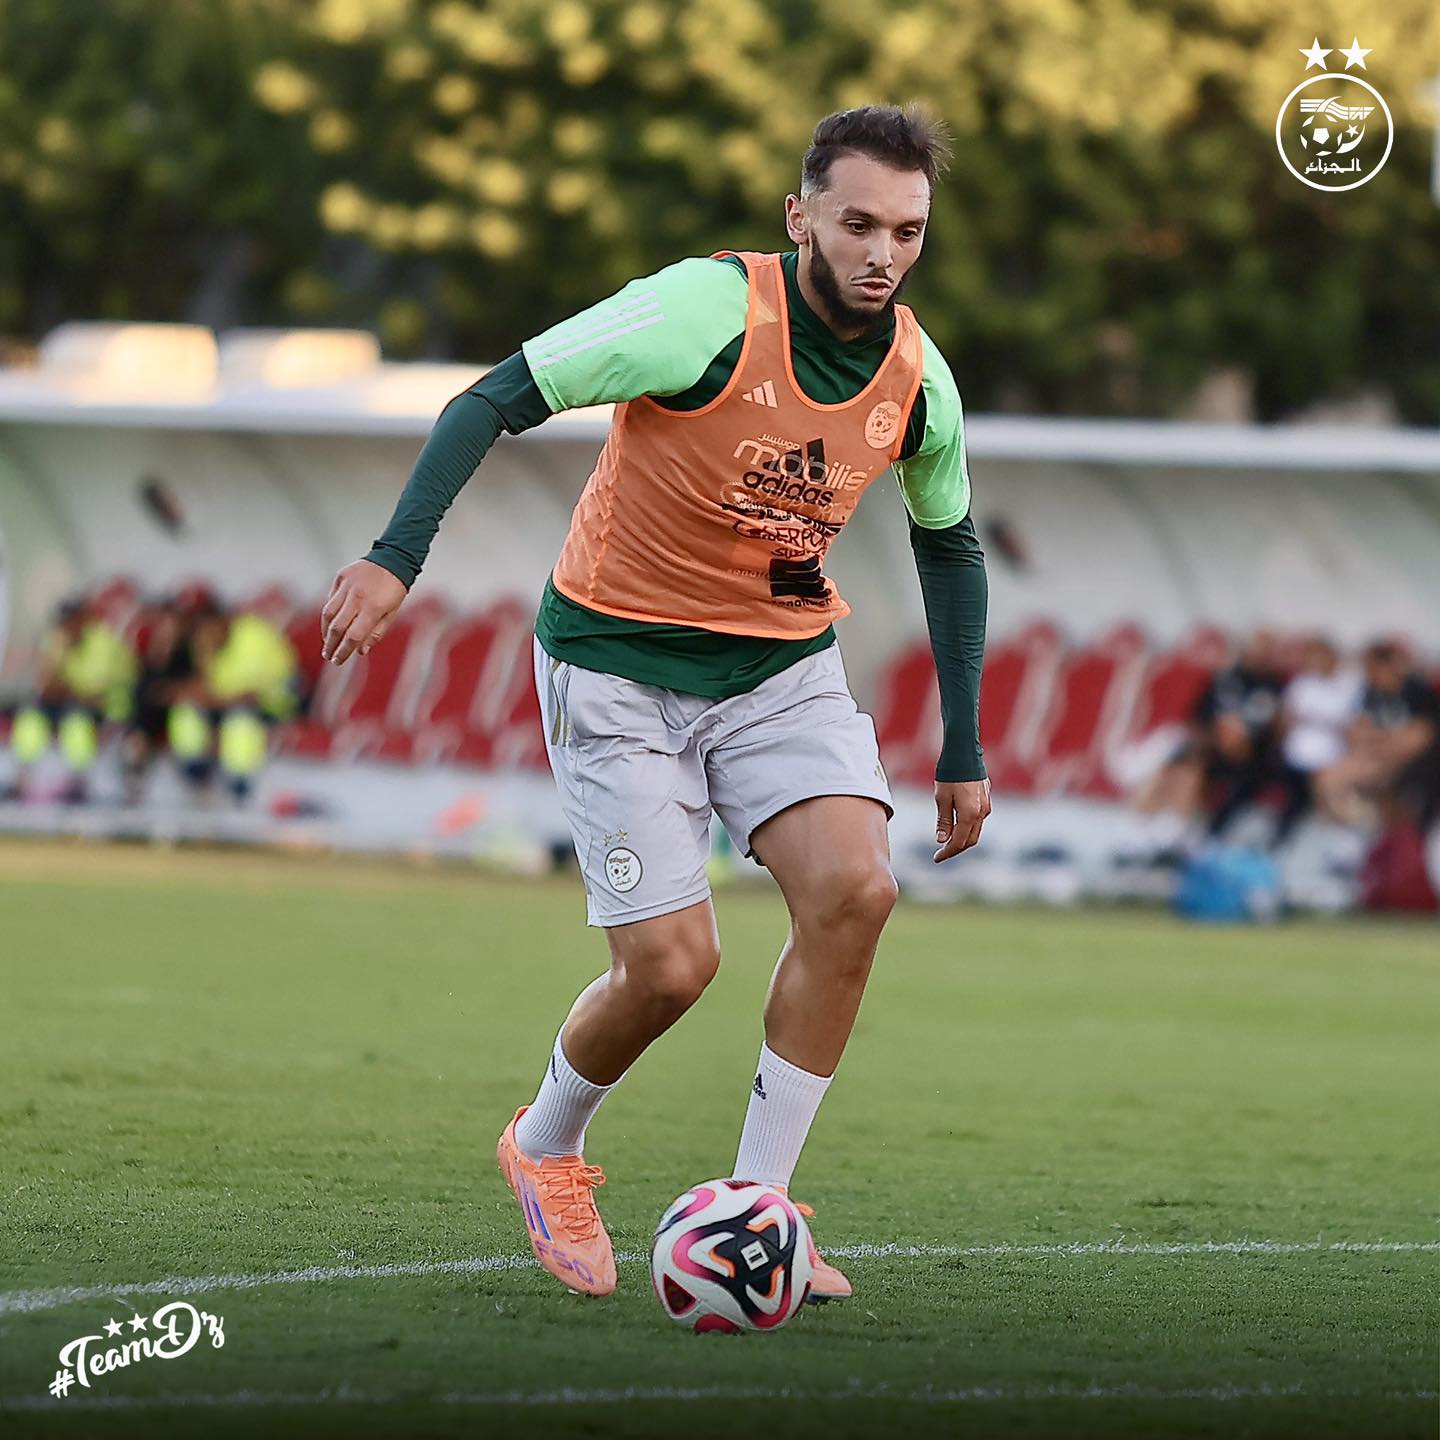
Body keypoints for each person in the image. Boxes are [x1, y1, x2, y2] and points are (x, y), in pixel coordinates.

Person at [321, 106, 990, 1304]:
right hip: (616, 665)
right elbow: (493, 397)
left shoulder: (919, 382)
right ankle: (545, 1145)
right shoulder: (702, 312)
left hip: (778, 671)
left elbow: (950, 545)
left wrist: (965, 743)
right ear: (800, 218)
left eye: (907, 231)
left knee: (858, 892)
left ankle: (759, 1210)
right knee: (674, 969)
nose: (882, 253)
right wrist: (392, 559)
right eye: (857, 223)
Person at [167, 595, 300, 802]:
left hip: (275, 706)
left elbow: (247, 696)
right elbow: (207, 689)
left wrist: (211, 698)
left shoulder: (253, 637)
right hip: (228, 705)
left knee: (239, 722)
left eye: (206, 628)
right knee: (187, 712)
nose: (203, 635)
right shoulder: (206, 644)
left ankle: (241, 789)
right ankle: (195, 777)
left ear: (221, 621)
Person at [8, 597, 136, 803]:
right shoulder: (59, 641)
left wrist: (61, 687)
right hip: (69, 703)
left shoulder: (103, 643)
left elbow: (92, 692)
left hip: (107, 710)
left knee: (76, 722)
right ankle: (21, 778)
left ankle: (79, 781)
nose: (65, 627)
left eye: (69, 622)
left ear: (82, 620)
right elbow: (44, 685)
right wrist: (58, 659)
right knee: (31, 715)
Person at [1317, 642, 1440, 829]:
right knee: (1328, 777)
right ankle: (1356, 826)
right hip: (1374, 756)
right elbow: (1357, 731)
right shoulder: (1370, 692)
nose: (1369, 674)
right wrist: (1379, 741)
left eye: (1372, 668)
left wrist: (1379, 741)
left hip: (1413, 761)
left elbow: (1420, 736)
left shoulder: (1416, 691)